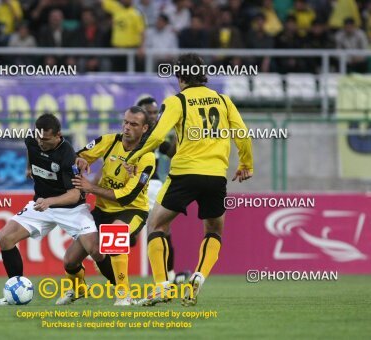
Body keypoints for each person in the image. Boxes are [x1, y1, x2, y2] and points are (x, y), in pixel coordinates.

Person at [124, 54, 253, 306]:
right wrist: (246, 163)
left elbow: (157, 137)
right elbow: (243, 135)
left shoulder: (176, 101)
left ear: (180, 77)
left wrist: (134, 156)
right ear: (203, 75)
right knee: (214, 230)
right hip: (216, 175)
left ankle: (162, 285)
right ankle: (199, 276)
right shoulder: (223, 101)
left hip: (184, 173)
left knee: (157, 225)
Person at [0, 114, 114, 306]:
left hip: (72, 208)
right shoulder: (33, 139)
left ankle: (122, 290)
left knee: (96, 250)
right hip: (41, 205)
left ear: (58, 136)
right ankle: (16, 291)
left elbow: (74, 194)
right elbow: (31, 149)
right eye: (39, 137)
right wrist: (29, 167)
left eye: (46, 139)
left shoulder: (67, 155)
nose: (41, 142)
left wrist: (50, 201)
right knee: (5, 239)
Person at [58, 106, 156, 306]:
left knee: (115, 233)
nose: (127, 127)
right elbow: (77, 156)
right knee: (70, 260)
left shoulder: (146, 157)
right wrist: (80, 164)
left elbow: (127, 197)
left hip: (132, 210)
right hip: (102, 210)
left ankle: (124, 294)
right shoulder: (109, 141)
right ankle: (78, 289)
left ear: (145, 128)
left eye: (133, 124)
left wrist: (91, 188)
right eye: (125, 122)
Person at [136, 97, 176, 280]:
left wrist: (179, 133)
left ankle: (169, 274)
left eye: (155, 112)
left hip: (155, 186)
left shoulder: (157, 136)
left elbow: (173, 153)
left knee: (163, 229)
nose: (153, 116)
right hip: (133, 188)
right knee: (128, 236)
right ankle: (115, 275)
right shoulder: (131, 136)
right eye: (149, 112)